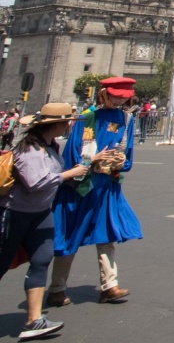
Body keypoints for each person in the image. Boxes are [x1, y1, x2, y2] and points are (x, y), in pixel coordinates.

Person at [0, 103, 112, 340]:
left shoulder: (51, 146)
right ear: (55, 124)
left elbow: (53, 180)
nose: (69, 125)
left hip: (40, 213)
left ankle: (34, 320)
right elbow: (35, 183)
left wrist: (77, 174)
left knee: (42, 260)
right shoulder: (30, 150)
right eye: (66, 121)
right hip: (15, 213)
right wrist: (68, 175)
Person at [49, 76, 143, 306]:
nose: (120, 102)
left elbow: (127, 150)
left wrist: (121, 162)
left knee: (107, 235)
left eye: (124, 98)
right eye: (116, 97)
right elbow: (72, 154)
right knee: (70, 235)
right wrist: (93, 158)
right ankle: (57, 288)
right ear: (105, 93)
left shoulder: (126, 118)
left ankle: (109, 285)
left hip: (107, 186)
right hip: (82, 186)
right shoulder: (88, 116)